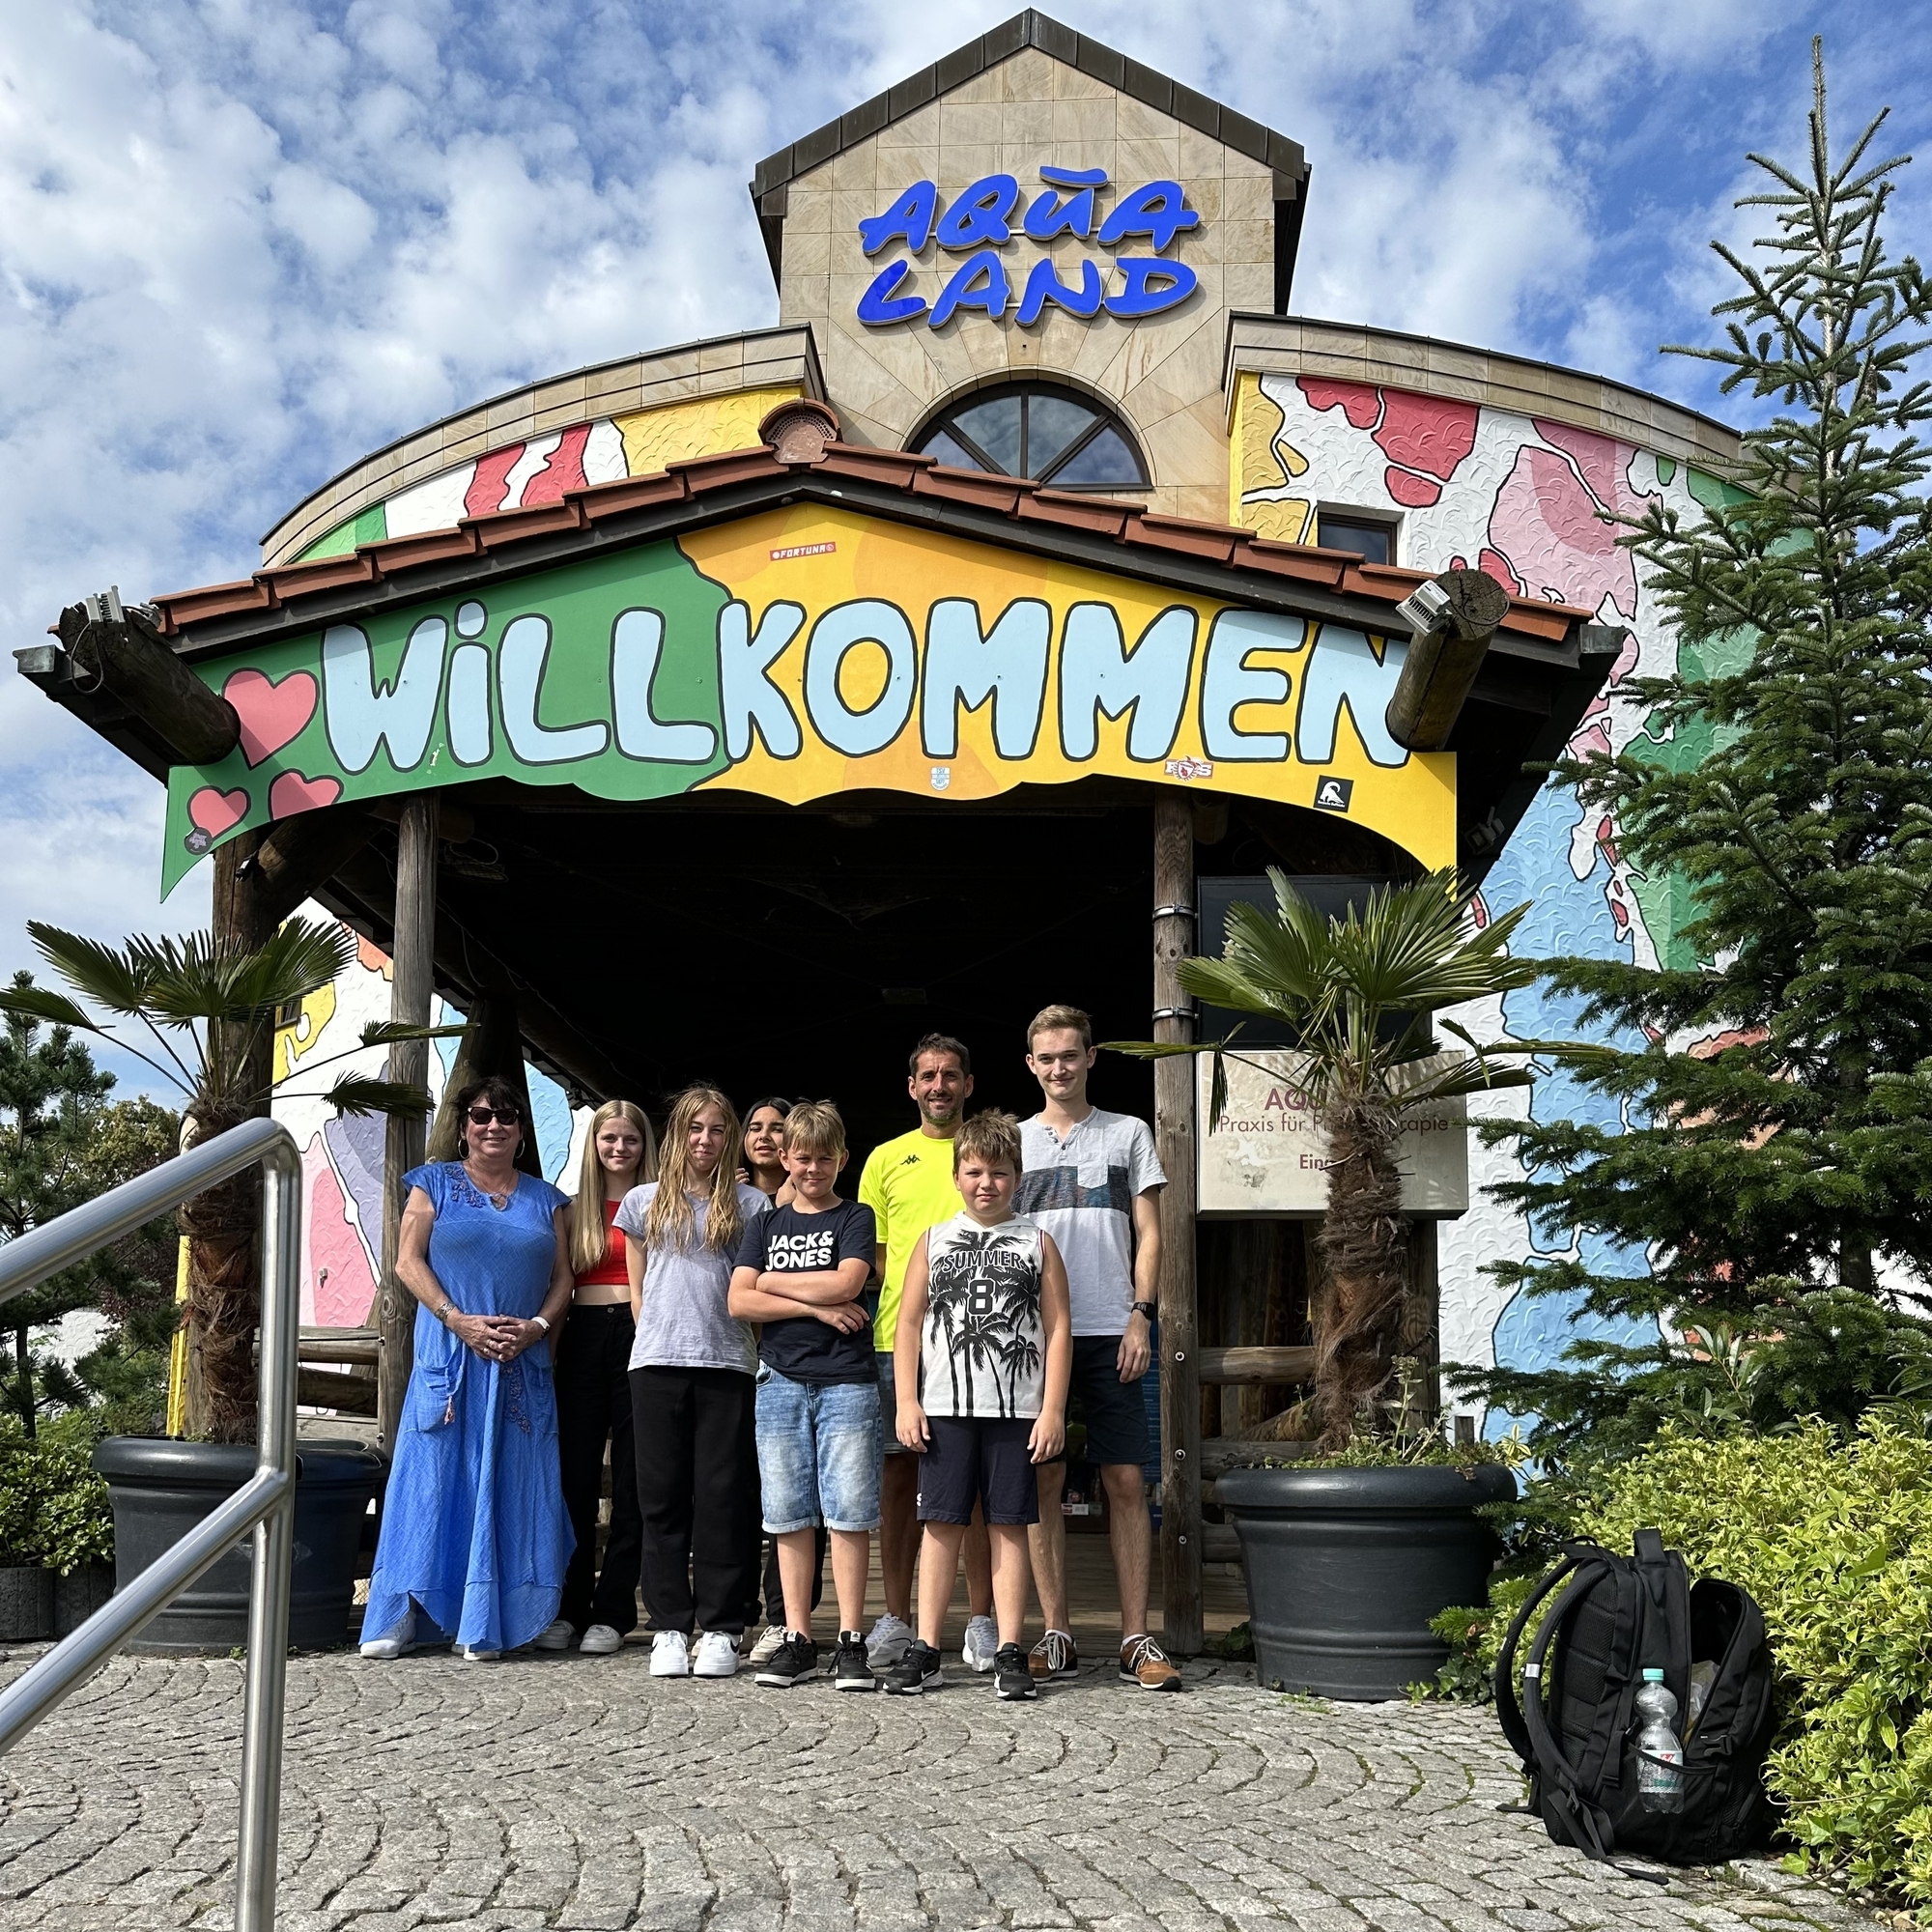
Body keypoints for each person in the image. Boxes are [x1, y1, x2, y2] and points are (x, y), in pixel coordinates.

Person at [360, 1075, 574, 1661]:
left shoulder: (549, 1200)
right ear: (463, 1127)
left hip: (519, 1363)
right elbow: (407, 1262)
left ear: (522, 1131)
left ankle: (508, 1616)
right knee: (430, 1480)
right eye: (482, 1115)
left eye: (506, 1116)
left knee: (519, 1487)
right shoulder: (432, 1184)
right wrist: (457, 1320)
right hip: (451, 1360)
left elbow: (563, 1280)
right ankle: (404, 1610)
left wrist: (537, 1328)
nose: (494, 1125)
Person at [1015, 1005, 1182, 1692]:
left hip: (1115, 1327)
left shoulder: (1128, 1132)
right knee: (1042, 1480)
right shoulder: (1013, 1141)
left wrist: (1142, 1315)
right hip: (1033, 1335)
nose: (1059, 1068)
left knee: (1126, 1481)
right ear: (1031, 1065)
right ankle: (1056, 1633)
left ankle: (1135, 1637)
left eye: (1070, 1055)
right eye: (1046, 1057)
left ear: (1090, 1058)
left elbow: (1151, 1233)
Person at [889, 1111, 1070, 1701]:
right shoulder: (933, 1240)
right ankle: (926, 1647)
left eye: (998, 1172)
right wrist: (907, 1400)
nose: (986, 1183)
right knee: (941, 1524)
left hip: (1016, 1410)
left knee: (1009, 1525)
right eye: (974, 1172)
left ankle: (1010, 1647)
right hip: (944, 1406)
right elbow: (908, 1324)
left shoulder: (1037, 1243)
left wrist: (1052, 1409)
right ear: (956, 1176)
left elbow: (1058, 1328)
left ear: (1017, 1177)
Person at [855, 1035, 999, 1673]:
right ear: (911, 1086)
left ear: (969, 1084)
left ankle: (982, 1618)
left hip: (978, 1340)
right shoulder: (886, 1158)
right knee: (899, 1476)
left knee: (973, 1483)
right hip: (901, 1338)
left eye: (950, 1075)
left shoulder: (987, 1153)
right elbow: (876, 1255)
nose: (939, 1086)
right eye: (928, 1076)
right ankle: (895, 1616)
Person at [727, 1100, 879, 1690]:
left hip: (846, 1380)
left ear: (841, 1159)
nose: (812, 1169)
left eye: (824, 1159)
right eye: (803, 1158)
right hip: (780, 1379)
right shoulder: (764, 1224)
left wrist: (771, 1281)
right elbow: (739, 1301)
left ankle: (850, 1639)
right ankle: (796, 1636)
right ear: (785, 1158)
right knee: (788, 1512)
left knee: (849, 1512)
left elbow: (850, 1280)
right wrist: (815, 1307)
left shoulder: (855, 1215)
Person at [616, 1086, 767, 1679]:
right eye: (695, 1128)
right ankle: (670, 1627)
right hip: (656, 1362)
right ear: (677, 1133)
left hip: (727, 1363)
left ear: (731, 1139)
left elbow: (756, 1287)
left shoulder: (752, 1204)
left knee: (722, 1498)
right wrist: (658, 1339)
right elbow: (638, 1291)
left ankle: (721, 1627)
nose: (706, 1140)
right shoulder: (642, 1201)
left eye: (718, 1130)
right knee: (661, 1499)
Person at [539, 1099, 657, 1657]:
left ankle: (613, 1612)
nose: (619, 1148)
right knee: (575, 1481)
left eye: (630, 1138)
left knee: (634, 1480)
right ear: (594, 1144)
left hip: (641, 1333)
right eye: (609, 1138)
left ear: (644, 1145)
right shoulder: (570, 1208)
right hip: (582, 1335)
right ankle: (568, 1608)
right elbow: (559, 1286)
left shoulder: (659, 1203)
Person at [735, 1096, 828, 1662]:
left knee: (798, 1494)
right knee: (745, 1491)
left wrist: (769, 1286)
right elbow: (737, 1294)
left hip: (793, 1361)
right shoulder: (736, 1200)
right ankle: (738, 1610)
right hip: (737, 1356)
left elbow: (832, 1282)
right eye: (756, 1127)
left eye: (778, 1128)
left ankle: (786, 1618)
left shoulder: (814, 1202)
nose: (765, 1136)